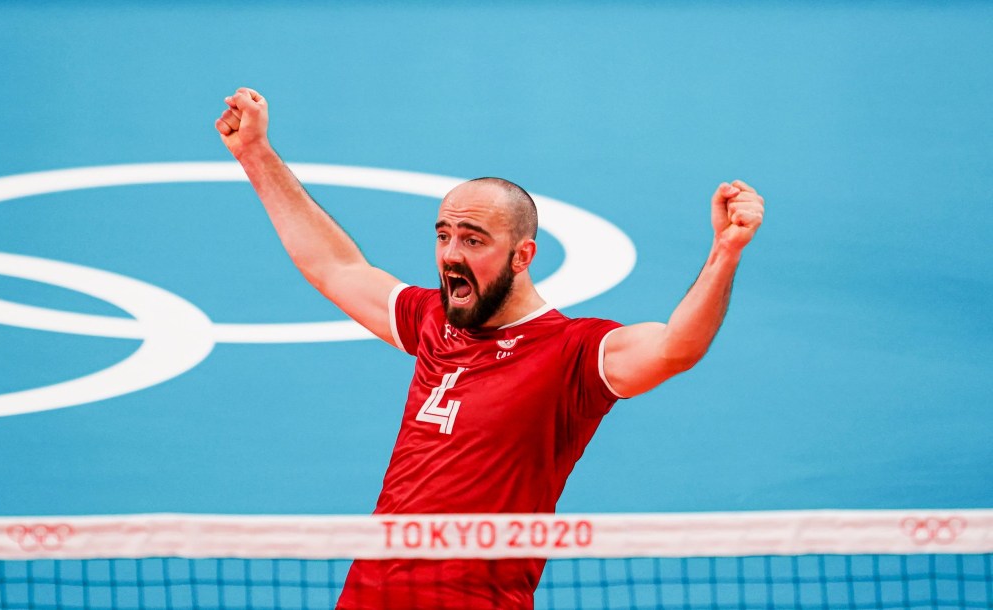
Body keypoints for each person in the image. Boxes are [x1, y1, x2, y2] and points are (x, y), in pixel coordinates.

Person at [215, 87, 765, 609]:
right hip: (368, 595)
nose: (451, 254)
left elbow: (675, 348)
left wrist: (725, 253)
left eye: (473, 239)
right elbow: (335, 267)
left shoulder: (573, 352)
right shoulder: (433, 321)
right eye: (443, 235)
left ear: (522, 256)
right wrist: (256, 155)